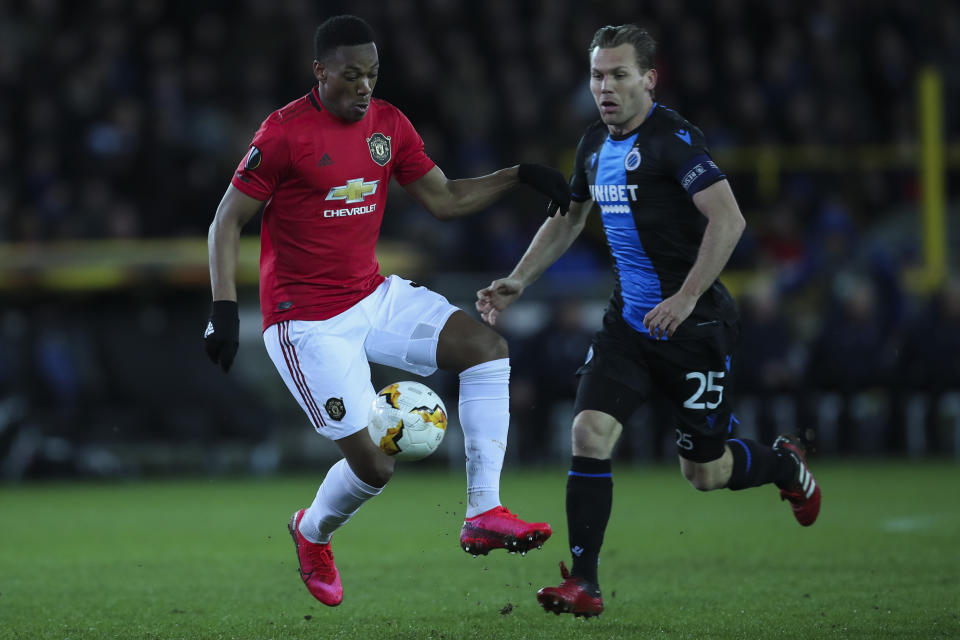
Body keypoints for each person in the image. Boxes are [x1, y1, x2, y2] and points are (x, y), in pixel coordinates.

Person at [203, 15, 568, 607]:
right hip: (306, 324)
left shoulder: (389, 125)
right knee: (375, 468)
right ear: (320, 72)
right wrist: (223, 309)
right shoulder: (282, 134)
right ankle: (311, 531)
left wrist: (520, 175)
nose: (365, 86)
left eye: (372, 74)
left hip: (372, 296)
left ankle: (483, 512)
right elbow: (227, 221)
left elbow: (444, 200)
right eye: (351, 75)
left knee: (487, 350)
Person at [475, 24, 821, 619]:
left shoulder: (675, 141)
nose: (604, 87)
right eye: (596, 75)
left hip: (696, 330)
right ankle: (584, 582)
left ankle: (784, 465)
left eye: (618, 75)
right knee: (588, 432)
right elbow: (568, 218)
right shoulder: (591, 144)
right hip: (629, 327)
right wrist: (519, 279)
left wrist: (686, 298)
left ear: (648, 79)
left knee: (705, 472)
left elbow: (729, 220)